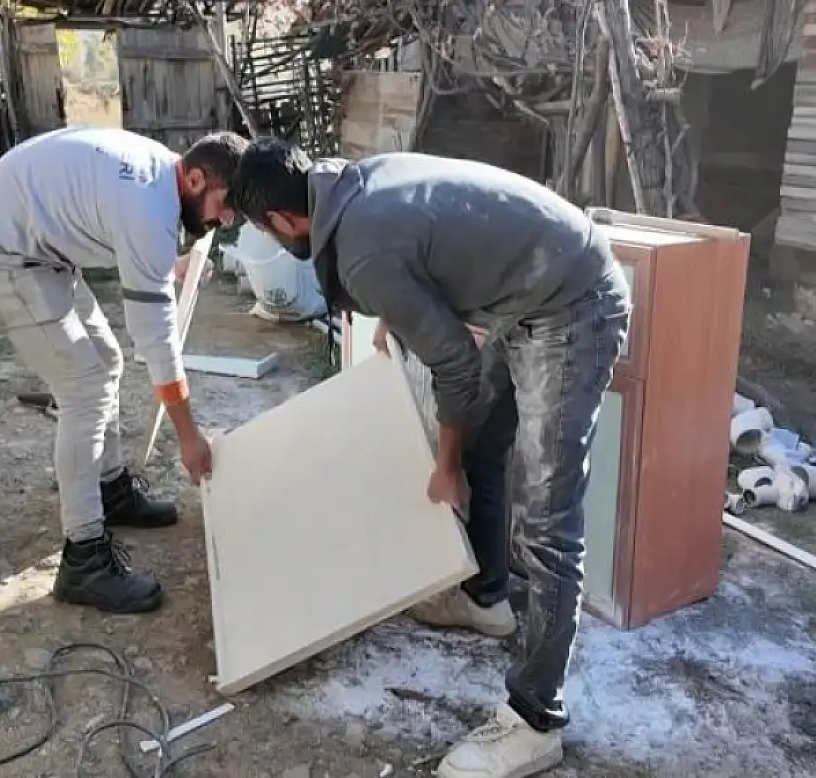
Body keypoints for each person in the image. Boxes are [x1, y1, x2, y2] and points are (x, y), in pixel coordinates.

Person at [228, 139, 629, 778]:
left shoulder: (363, 250)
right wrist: (402, 311)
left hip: (572, 302)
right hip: (527, 290)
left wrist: (443, 470)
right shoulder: (352, 184)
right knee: (479, 444)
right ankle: (486, 597)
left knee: (549, 525)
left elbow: (456, 367)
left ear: (280, 222)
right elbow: (428, 249)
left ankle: (534, 721)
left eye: (266, 234)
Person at [0, 127, 245, 614]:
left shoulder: (159, 174)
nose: (227, 218)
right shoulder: (149, 208)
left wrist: (159, 266)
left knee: (105, 361)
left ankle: (110, 491)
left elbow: (116, 226)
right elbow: (157, 338)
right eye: (226, 204)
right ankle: (83, 557)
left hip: (35, 250)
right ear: (196, 179)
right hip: (2, 258)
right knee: (83, 388)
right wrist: (189, 436)